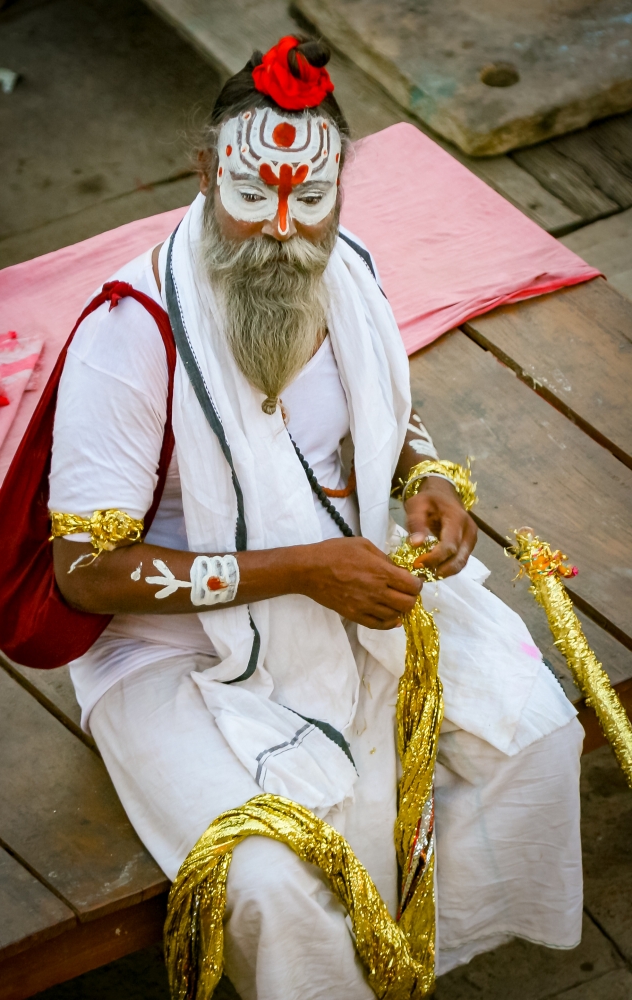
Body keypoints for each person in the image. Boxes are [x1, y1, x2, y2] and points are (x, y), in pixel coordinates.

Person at [48, 35, 583, 1000]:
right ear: (206, 172)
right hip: (173, 648)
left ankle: (407, 960)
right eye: (254, 194)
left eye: (314, 197)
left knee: (535, 732)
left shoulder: (349, 270)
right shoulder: (129, 334)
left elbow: (383, 406)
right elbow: (82, 573)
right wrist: (299, 570)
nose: (284, 230)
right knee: (270, 882)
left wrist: (429, 476)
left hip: (348, 585)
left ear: (344, 183)